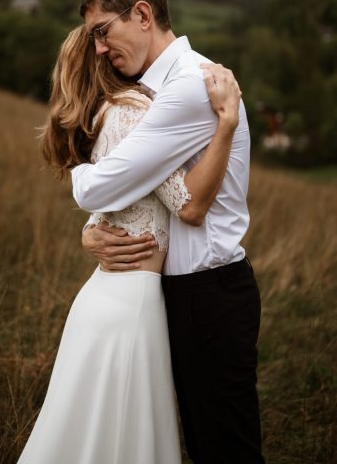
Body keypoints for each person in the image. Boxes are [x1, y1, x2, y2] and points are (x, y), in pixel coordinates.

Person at [16, 23, 241, 464]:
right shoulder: (134, 111)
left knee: (87, 435)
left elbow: (116, 205)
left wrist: (89, 232)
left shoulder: (102, 117)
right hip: (130, 304)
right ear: (103, 60)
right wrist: (226, 125)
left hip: (105, 295)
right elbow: (186, 205)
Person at [72, 0, 265, 464]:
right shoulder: (155, 92)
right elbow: (143, 192)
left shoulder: (187, 87)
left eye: (102, 32)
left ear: (141, 14)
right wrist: (92, 234)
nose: (98, 48)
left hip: (208, 292)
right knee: (199, 443)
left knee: (225, 448)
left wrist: (81, 186)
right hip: (179, 293)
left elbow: (109, 183)